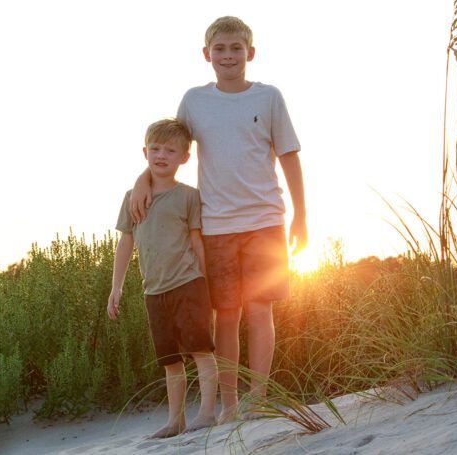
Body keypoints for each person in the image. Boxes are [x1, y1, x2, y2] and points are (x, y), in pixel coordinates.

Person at [129, 16, 307, 423]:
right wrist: (143, 179)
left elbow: (289, 156)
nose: (228, 56)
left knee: (261, 309)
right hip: (217, 223)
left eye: (236, 48)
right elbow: (170, 147)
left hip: (266, 219)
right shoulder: (194, 100)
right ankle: (229, 407)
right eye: (220, 49)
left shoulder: (269, 98)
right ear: (207, 54)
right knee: (226, 313)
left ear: (251, 53)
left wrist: (301, 216)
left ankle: (257, 398)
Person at [108, 119, 219, 438]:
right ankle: (175, 421)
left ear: (184, 158)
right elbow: (125, 242)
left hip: (189, 285)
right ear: (145, 152)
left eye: (170, 150)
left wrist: (207, 285)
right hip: (153, 291)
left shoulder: (188, 196)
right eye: (155, 148)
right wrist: (115, 287)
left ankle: (208, 413)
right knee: (171, 361)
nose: (161, 155)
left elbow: (197, 241)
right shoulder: (133, 196)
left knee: (201, 351)